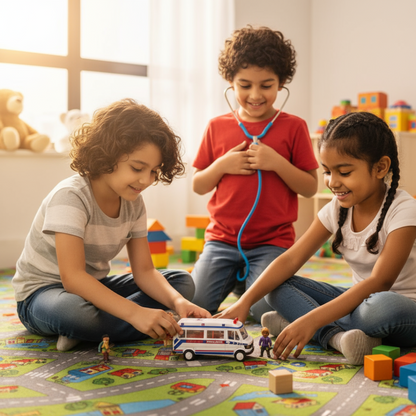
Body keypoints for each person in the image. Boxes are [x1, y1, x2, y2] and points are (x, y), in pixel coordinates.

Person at [216, 111, 416, 365]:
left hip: (400, 308)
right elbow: (290, 260)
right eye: (327, 171)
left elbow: (380, 281)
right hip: (358, 302)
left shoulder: (404, 209)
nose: (332, 182)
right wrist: (244, 303)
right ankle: (337, 338)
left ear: (380, 168)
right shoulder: (337, 207)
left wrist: (310, 318)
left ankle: (305, 323)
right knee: (275, 288)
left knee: (381, 308)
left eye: (344, 172)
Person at [13, 99, 210, 352]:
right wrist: (135, 313)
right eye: (138, 168)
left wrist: (178, 301)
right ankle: (89, 326)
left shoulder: (134, 203)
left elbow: (145, 272)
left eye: (154, 171)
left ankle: (91, 332)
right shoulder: (70, 197)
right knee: (74, 313)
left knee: (182, 282)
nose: (146, 180)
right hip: (42, 295)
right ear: (105, 154)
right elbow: (72, 278)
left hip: (93, 287)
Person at [191, 25, 319, 321]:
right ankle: (239, 280)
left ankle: (244, 285)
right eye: (245, 85)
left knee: (264, 309)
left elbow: (311, 187)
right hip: (221, 240)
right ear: (230, 82)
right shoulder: (217, 126)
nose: (255, 94)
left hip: (272, 243)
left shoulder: (294, 126)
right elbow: (198, 185)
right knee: (194, 304)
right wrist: (222, 165)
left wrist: (277, 162)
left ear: (281, 82)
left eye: (266, 85)